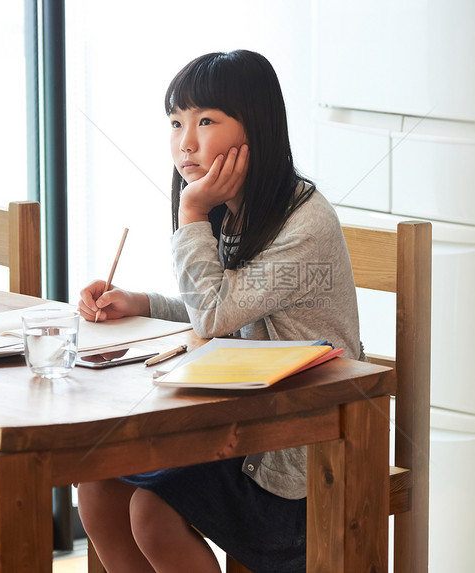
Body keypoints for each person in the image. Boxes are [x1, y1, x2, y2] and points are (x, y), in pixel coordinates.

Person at [76, 49, 363, 573]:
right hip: (236, 423)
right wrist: (142, 304)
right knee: (97, 488)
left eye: (206, 120)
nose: (186, 140)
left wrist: (191, 211)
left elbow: (213, 316)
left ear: (257, 127)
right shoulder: (236, 211)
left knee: (151, 510)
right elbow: (228, 310)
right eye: (176, 122)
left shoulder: (304, 221)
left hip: (295, 451)